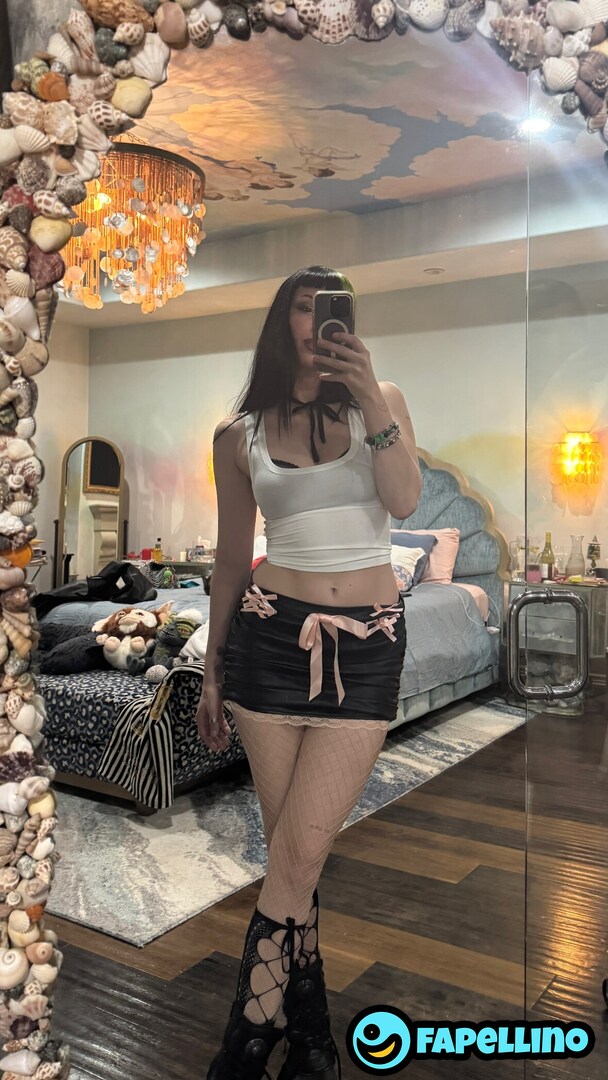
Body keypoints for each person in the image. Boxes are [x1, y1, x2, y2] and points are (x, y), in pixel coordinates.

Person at [196, 266, 422, 1080]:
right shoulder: (238, 435)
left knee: (298, 854)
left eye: (334, 310)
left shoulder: (380, 400)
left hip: (366, 647)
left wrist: (369, 399)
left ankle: (247, 1039)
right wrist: (212, 668)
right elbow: (230, 561)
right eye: (305, 307)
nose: (320, 323)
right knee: (297, 853)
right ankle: (313, 1038)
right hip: (267, 644)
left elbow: (404, 502)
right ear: (281, 321)